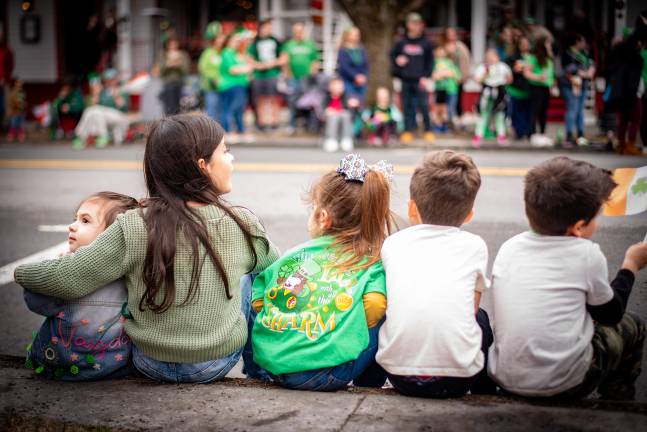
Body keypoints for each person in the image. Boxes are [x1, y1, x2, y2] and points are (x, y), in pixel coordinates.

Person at [14, 114, 279, 384]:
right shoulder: (241, 224)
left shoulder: (133, 224)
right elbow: (277, 269)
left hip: (149, 361)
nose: (231, 159)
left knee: (106, 268)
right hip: (213, 363)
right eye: (225, 152)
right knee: (255, 277)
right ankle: (259, 372)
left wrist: (21, 271)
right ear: (203, 166)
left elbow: (66, 279)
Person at [488, 157, 647, 400]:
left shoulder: (510, 247)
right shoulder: (586, 255)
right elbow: (611, 314)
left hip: (506, 378)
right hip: (564, 384)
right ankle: (618, 403)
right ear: (579, 227)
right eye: (597, 217)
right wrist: (630, 265)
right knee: (633, 324)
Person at [249, 153, 394, 391]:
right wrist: (345, 324)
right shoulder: (371, 262)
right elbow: (375, 304)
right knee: (387, 312)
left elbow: (258, 301)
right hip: (326, 374)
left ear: (323, 218)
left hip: (274, 366)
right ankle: (369, 386)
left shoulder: (296, 255)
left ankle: (255, 372)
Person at [376, 150, 494, 398]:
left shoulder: (393, 244)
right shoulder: (475, 246)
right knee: (481, 318)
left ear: (412, 208)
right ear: (469, 214)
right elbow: (470, 311)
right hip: (457, 380)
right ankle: (485, 392)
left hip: (400, 377)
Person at [23, 192, 139, 380]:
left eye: (85, 221)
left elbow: (35, 302)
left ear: (110, 238)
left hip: (62, 366)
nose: (72, 226)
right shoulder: (132, 273)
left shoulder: (69, 274)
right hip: (114, 366)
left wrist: (57, 267)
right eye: (75, 219)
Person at [391, 12, 435, 144]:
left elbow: (430, 62)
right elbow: (393, 57)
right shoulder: (401, 42)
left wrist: (426, 76)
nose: (416, 26)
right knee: (407, 106)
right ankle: (408, 130)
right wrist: (398, 62)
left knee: (424, 105)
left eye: (418, 24)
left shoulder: (426, 43)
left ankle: (428, 130)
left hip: (420, 79)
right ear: (408, 25)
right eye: (413, 23)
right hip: (405, 79)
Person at [607, 31, 644, 155]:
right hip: (632, 94)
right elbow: (634, 79)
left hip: (620, 93)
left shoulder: (620, 55)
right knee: (636, 118)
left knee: (623, 120)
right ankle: (630, 145)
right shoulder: (636, 57)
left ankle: (621, 145)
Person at [73, 69, 130, 149]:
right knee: (91, 111)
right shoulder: (103, 92)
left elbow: (123, 107)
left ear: (116, 79)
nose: (110, 82)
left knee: (96, 110)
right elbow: (94, 105)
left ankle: (81, 135)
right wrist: (96, 93)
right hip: (102, 115)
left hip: (120, 116)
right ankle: (83, 136)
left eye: (112, 79)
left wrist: (116, 95)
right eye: (108, 80)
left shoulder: (122, 90)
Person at [280, 22, 320, 134]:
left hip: (307, 78)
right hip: (293, 78)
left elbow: (314, 61)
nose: (298, 33)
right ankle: (291, 125)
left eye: (300, 31)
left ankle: (309, 125)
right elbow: (285, 61)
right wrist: (288, 75)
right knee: (292, 101)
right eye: (296, 31)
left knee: (308, 102)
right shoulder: (289, 45)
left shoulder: (310, 44)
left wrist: (312, 75)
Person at [248, 19, 284, 131]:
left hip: (272, 74)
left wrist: (271, 64)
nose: (269, 29)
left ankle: (275, 122)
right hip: (258, 75)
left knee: (273, 98)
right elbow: (249, 58)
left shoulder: (276, 41)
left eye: (270, 27)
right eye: (267, 27)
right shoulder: (255, 42)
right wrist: (258, 66)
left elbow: (283, 58)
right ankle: (262, 122)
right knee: (259, 99)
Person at [560, 34, 595, 147]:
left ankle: (580, 134)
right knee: (572, 109)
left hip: (583, 84)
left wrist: (591, 70)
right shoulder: (567, 53)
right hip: (571, 85)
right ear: (576, 41)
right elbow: (566, 69)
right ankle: (569, 134)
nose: (584, 44)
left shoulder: (585, 53)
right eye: (582, 41)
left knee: (580, 110)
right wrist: (581, 72)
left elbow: (591, 63)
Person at [471, 49, 512, 147]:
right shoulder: (483, 67)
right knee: (483, 114)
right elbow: (477, 80)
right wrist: (486, 73)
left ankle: (501, 136)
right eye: (488, 56)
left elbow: (510, 78)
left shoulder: (503, 66)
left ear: (497, 57)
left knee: (500, 115)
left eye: (492, 56)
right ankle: (478, 136)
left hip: (499, 92)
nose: (490, 58)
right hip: (487, 92)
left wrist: (502, 85)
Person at [218, 32, 254, 143]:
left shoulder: (235, 54)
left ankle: (241, 131)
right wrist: (247, 68)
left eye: (239, 41)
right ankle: (227, 132)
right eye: (235, 41)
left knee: (239, 109)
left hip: (239, 85)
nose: (238, 43)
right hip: (230, 85)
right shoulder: (226, 53)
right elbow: (232, 70)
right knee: (230, 109)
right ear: (228, 42)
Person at [525, 37, 555, 147]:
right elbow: (527, 73)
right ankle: (532, 134)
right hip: (536, 87)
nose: (550, 46)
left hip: (546, 87)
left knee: (544, 112)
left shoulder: (548, 58)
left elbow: (551, 73)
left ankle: (542, 133)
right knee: (534, 111)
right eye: (548, 44)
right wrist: (538, 77)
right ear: (542, 45)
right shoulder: (533, 58)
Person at [321, 77, 359, 152]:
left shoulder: (345, 97)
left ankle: (346, 139)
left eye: (341, 87)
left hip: (342, 117)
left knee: (345, 115)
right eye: (337, 87)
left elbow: (348, 109)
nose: (339, 89)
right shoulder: (326, 97)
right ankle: (331, 139)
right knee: (334, 116)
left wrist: (352, 105)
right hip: (330, 118)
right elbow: (322, 109)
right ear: (331, 87)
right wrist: (327, 111)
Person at [506, 35, 532, 140]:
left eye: (527, 44)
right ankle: (519, 132)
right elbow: (507, 72)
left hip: (529, 89)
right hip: (515, 89)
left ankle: (527, 131)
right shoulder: (513, 57)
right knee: (516, 113)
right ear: (519, 45)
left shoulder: (533, 57)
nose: (525, 46)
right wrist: (514, 70)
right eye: (523, 44)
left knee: (527, 112)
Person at [198, 21, 225, 121]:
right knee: (212, 110)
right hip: (211, 87)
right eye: (219, 37)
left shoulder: (224, 52)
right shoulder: (208, 52)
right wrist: (214, 78)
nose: (221, 39)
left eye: (222, 37)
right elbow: (203, 68)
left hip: (224, 86)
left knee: (222, 110)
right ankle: (212, 132)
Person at [155, 37, 190, 115]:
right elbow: (159, 71)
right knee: (168, 107)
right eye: (171, 44)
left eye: (175, 43)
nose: (173, 46)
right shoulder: (163, 55)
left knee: (179, 108)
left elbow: (186, 70)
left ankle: (177, 125)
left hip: (179, 84)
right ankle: (169, 124)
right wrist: (168, 65)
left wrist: (178, 65)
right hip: (168, 84)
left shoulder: (183, 55)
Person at [443, 27, 471, 124]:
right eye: (449, 34)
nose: (451, 36)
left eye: (453, 34)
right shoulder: (444, 46)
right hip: (446, 79)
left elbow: (466, 61)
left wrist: (465, 76)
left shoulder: (461, 46)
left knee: (458, 100)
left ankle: (459, 121)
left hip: (459, 78)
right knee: (446, 100)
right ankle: (447, 120)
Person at [431, 46, 461, 132]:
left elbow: (457, 77)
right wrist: (444, 74)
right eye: (439, 52)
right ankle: (438, 125)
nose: (441, 54)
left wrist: (447, 74)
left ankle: (447, 125)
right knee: (439, 108)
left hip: (451, 89)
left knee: (449, 109)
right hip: (440, 89)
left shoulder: (450, 63)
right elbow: (434, 76)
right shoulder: (434, 63)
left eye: (442, 52)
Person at [336, 26, 369, 103]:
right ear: (347, 36)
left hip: (361, 82)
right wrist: (355, 76)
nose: (356, 37)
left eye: (357, 35)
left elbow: (365, 64)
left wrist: (363, 76)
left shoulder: (360, 49)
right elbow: (344, 67)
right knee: (350, 101)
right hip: (348, 81)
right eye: (354, 35)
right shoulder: (343, 50)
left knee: (360, 102)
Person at [0, 29, 15, 130]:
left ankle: (6, 124)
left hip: (5, 81)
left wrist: (5, 78)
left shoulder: (7, 50)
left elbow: (10, 66)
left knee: (6, 102)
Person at [7, 78, 26, 143]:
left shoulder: (22, 92)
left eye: (21, 83)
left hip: (21, 111)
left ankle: (21, 137)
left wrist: (23, 104)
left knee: (21, 125)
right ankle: (11, 137)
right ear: (16, 84)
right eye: (19, 83)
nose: (20, 85)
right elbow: (11, 102)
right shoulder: (13, 92)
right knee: (13, 125)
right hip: (15, 112)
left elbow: (22, 101)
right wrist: (16, 106)